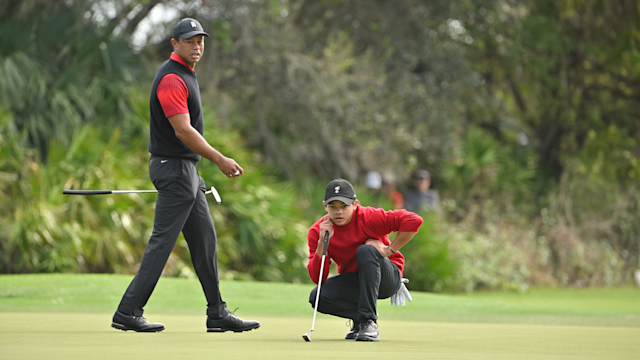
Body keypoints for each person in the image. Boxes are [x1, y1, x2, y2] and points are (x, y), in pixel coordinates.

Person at [111, 18, 259, 333]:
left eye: (200, 41)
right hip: (174, 168)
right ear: (174, 43)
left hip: (185, 170)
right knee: (163, 242)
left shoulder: (186, 75)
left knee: (205, 239)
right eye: (190, 41)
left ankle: (217, 313)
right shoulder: (171, 79)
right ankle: (127, 311)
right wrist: (219, 158)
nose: (197, 46)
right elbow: (182, 130)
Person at [306, 179, 422, 341]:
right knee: (318, 297)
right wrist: (322, 243)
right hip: (356, 281)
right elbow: (317, 277)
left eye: (344, 206)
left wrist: (388, 250)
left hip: (386, 279)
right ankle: (360, 319)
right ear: (325, 206)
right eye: (333, 207)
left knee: (366, 250)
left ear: (355, 204)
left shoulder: (369, 217)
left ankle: (368, 321)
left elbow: (414, 220)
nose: (338, 212)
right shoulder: (318, 230)